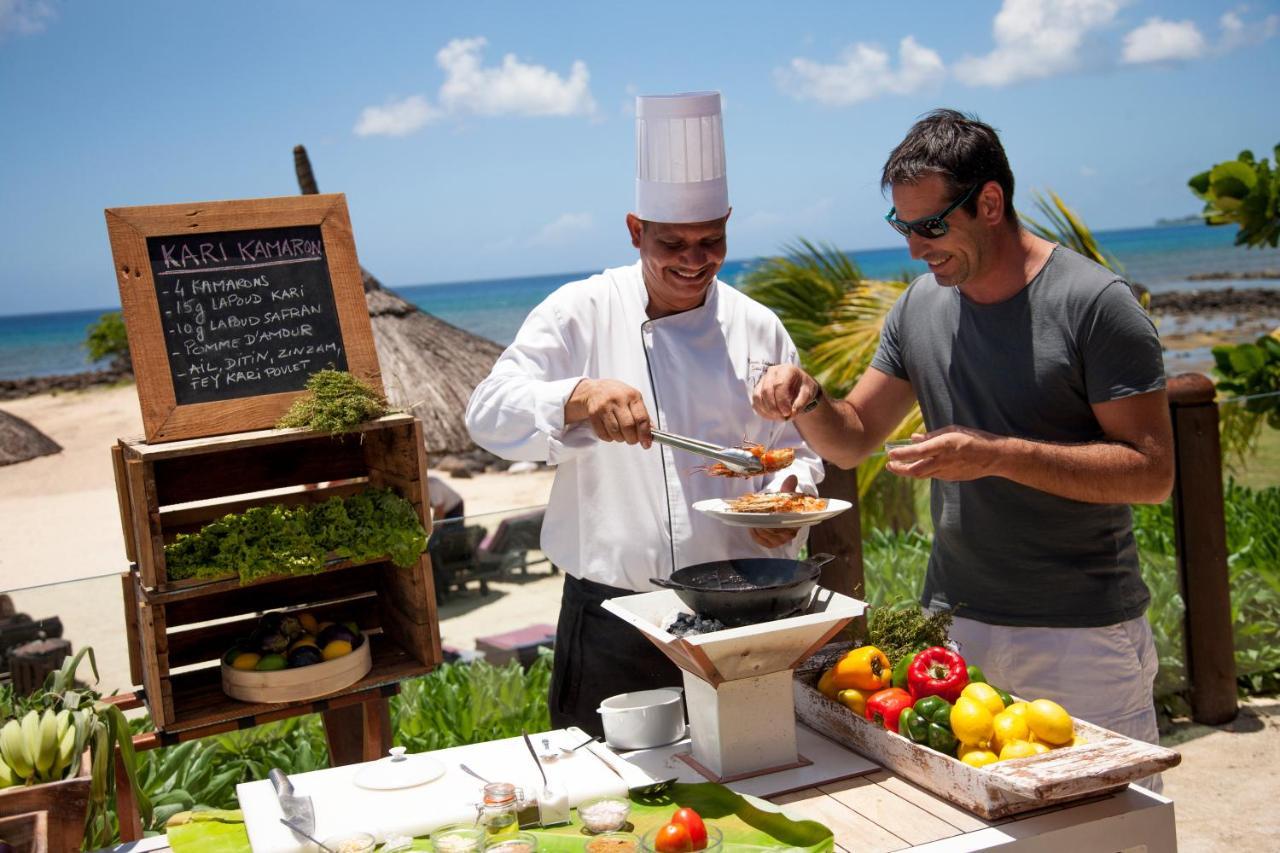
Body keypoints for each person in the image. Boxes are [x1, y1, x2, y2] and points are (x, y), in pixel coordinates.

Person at [753, 109, 1173, 780]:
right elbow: (855, 435)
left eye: (930, 226)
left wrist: (997, 453)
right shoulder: (918, 307)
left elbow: (1151, 473)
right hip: (954, 631)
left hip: (1081, 633)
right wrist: (808, 396)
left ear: (990, 202)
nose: (916, 248)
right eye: (903, 226)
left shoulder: (1098, 304)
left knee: (1109, 829)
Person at [466, 91, 823, 735]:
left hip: (743, 607)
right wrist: (577, 396)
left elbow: (796, 454)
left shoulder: (758, 325)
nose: (694, 260)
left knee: (748, 782)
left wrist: (785, 501)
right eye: (673, 242)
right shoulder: (580, 310)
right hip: (613, 618)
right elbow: (486, 413)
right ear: (635, 231)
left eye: (711, 241)